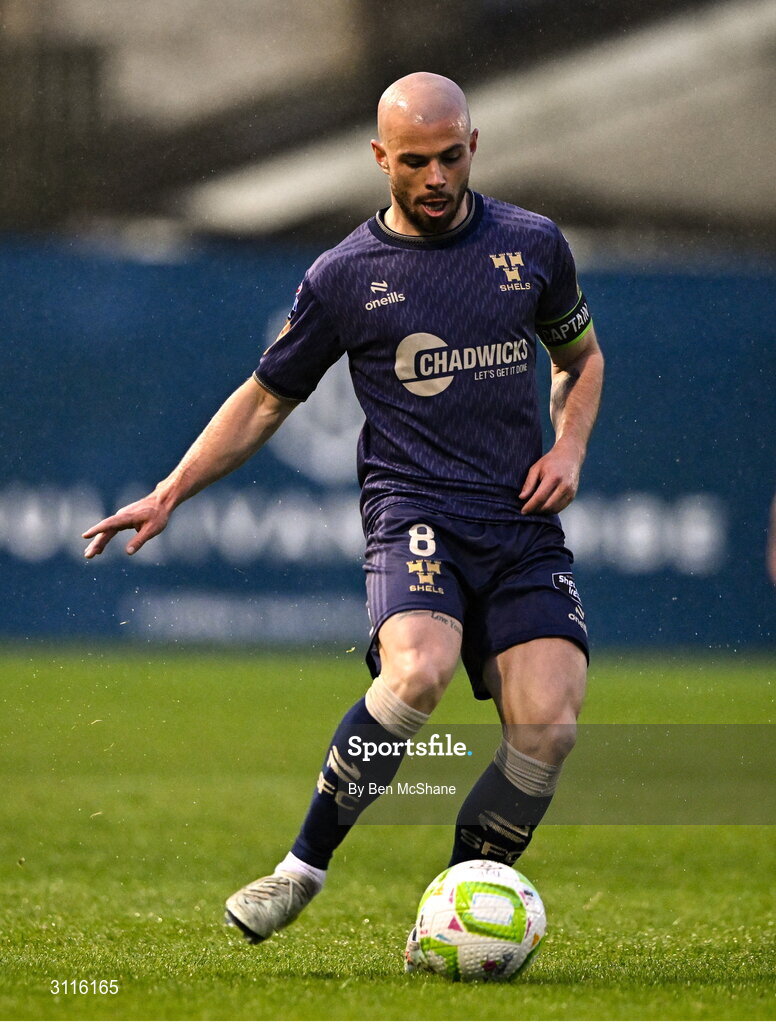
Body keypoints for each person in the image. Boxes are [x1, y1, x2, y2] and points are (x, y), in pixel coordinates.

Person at [83, 72, 604, 957]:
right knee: (418, 673)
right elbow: (264, 399)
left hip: (519, 526)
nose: (435, 178)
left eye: (449, 157)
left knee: (547, 730)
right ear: (380, 158)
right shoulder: (344, 277)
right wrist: (172, 490)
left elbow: (581, 360)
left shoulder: (532, 245)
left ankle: (452, 914)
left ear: (472, 146)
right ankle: (301, 869)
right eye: (413, 161)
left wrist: (568, 449)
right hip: (417, 513)